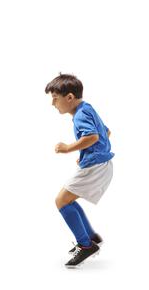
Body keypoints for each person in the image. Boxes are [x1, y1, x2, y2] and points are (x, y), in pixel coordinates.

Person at [45, 74, 114, 268]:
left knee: (61, 200)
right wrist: (88, 153)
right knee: (67, 199)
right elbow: (106, 132)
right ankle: (92, 237)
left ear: (69, 97)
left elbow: (92, 136)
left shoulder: (81, 115)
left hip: (96, 167)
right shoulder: (87, 108)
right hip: (100, 164)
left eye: (55, 98)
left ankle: (85, 245)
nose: (53, 104)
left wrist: (68, 148)